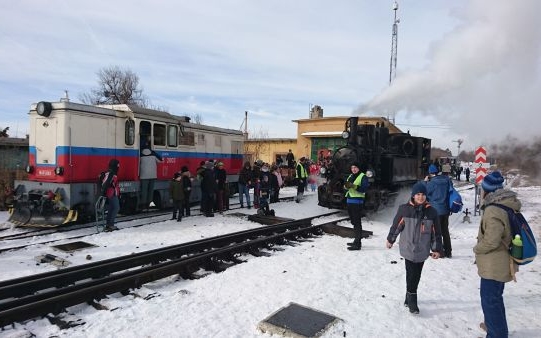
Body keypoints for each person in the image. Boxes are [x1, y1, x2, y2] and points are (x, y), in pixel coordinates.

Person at [474, 171, 520, 337]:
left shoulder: (493, 209)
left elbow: (491, 241)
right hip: (501, 262)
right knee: (495, 299)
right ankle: (494, 327)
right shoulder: (506, 204)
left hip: (494, 265)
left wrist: (476, 248)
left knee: (490, 301)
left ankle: (497, 333)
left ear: (487, 190)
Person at [386, 181, 442, 314]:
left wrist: (436, 249)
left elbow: (436, 233)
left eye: (423, 195)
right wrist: (390, 239)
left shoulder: (432, 212)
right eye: (418, 194)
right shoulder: (404, 209)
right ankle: (412, 300)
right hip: (408, 247)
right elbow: (396, 226)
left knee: (416, 274)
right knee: (411, 273)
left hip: (422, 249)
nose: (420, 197)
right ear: (413, 196)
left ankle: (408, 296)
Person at [425, 163, 454, 258]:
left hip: (436, 210)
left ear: (430, 173)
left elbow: (425, 193)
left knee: (436, 231)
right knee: (445, 231)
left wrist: (425, 182)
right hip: (446, 209)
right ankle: (448, 251)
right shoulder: (447, 180)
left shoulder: (432, 183)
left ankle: (439, 252)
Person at [344, 162, 369, 250]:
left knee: (357, 222)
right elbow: (346, 186)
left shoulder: (363, 176)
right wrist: (346, 186)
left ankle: (358, 243)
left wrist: (353, 186)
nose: (353, 169)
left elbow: (364, 189)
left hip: (357, 202)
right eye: (352, 168)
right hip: (349, 201)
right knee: (353, 222)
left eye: (355, 167)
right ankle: (356, 240)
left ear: (359, 168)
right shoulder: (350, 176)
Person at [101, 159, 121, 232]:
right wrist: (104, 193)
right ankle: (110, 225)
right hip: (111, 194)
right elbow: (105, 184)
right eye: (118, 165)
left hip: (113, 193)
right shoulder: (111, 173)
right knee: (116, 208)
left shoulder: (112, 173)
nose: (119, 166)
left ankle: (109, 224)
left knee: (111, 209)